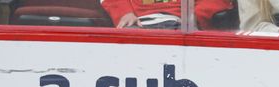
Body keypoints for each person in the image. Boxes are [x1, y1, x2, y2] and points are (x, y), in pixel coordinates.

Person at [100, 0, 233, 30]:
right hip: (138, 25)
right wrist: (125, 13)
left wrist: (193, 17)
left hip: (182, 26)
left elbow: (217, 1)